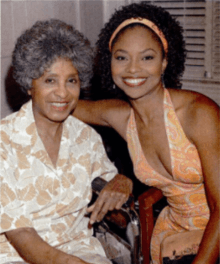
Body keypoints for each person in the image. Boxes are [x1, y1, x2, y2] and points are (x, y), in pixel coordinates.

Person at [73, 2, 220, 264]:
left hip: (214, 236)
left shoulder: (199, 114)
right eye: (122, 57)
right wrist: (40, 78)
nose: (132, 69)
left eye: (147, 57)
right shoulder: (120, 116)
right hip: (171, 237)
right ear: (110, 63)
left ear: (165, 61)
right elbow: (65, 103)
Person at [0, 19, 133, 264]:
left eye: (71, 81)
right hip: (16, 257)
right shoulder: (4, 142)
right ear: (30, 84)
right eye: (50, 80)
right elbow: (20, 232)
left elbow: (118, 215)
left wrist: (122, 182)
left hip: (82, 251)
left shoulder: (87, 138)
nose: (63, 93)